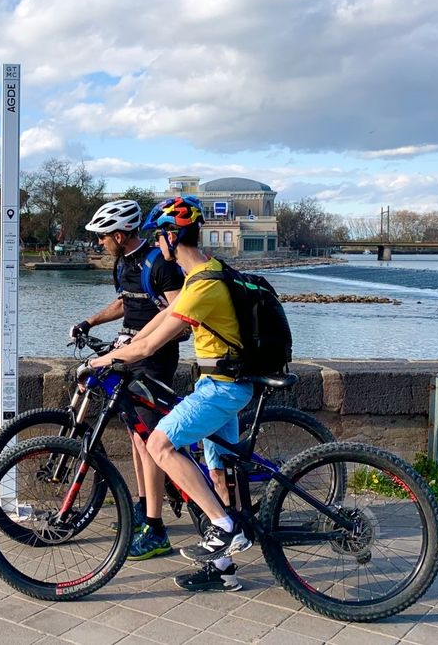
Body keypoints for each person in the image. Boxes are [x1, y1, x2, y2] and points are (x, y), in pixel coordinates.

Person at [90, 195, 252, 592]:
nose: (155, 243)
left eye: (158, 235)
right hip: (219, 381)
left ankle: (223, 525)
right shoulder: (209, 272)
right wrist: (119, 350)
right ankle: (224, 570)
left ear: (169, 237)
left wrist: (106, 361)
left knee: (160, 443)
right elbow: (159, 320)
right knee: (216, 473)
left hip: (222, 388)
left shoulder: (200, 285)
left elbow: (149, 347)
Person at [69, 199, 186, 561]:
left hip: (154, 361)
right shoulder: (123, 264)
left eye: (103, 236)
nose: (99, 243)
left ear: (120, 235)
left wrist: (140, 343)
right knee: (137, 439)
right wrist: (90, 322)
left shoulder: (161, 265)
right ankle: (142, 504)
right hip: (131, 354)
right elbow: (126, 302)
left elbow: (179, 317)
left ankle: (156, 527)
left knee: (151, 441)